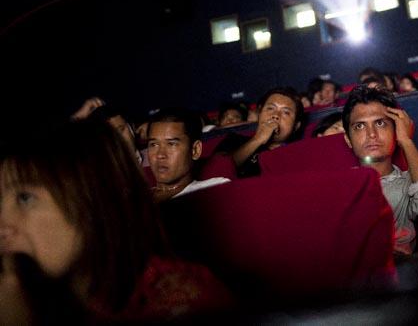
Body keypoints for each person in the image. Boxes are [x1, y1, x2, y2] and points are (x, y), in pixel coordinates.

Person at [0, 120, 232, 322]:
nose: (3, 225)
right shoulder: (21, 294)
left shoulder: (182, 298)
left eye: (25, 198)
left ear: (93, 200)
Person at [341, 86, 418, 255]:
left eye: (380, 123)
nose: (371, 134)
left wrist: (406, 141)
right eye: (360, 126)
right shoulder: (338, 185)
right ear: (348, 139)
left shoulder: (410, 182)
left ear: (395, 131)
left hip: (399, 269)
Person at [147, 108, 230, 202]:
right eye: (154, 145)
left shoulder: (214, 188)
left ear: (195, 150)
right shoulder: (134, 199)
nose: (160, 155)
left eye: (171, 144)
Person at [221, 87, 303, 178]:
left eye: (286, 112)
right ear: (259, 113)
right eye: (270, 108)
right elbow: (216, 172)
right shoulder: (234, 140)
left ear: (296, 126)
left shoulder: (300, 154)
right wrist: (258, 139)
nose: (276, 115)